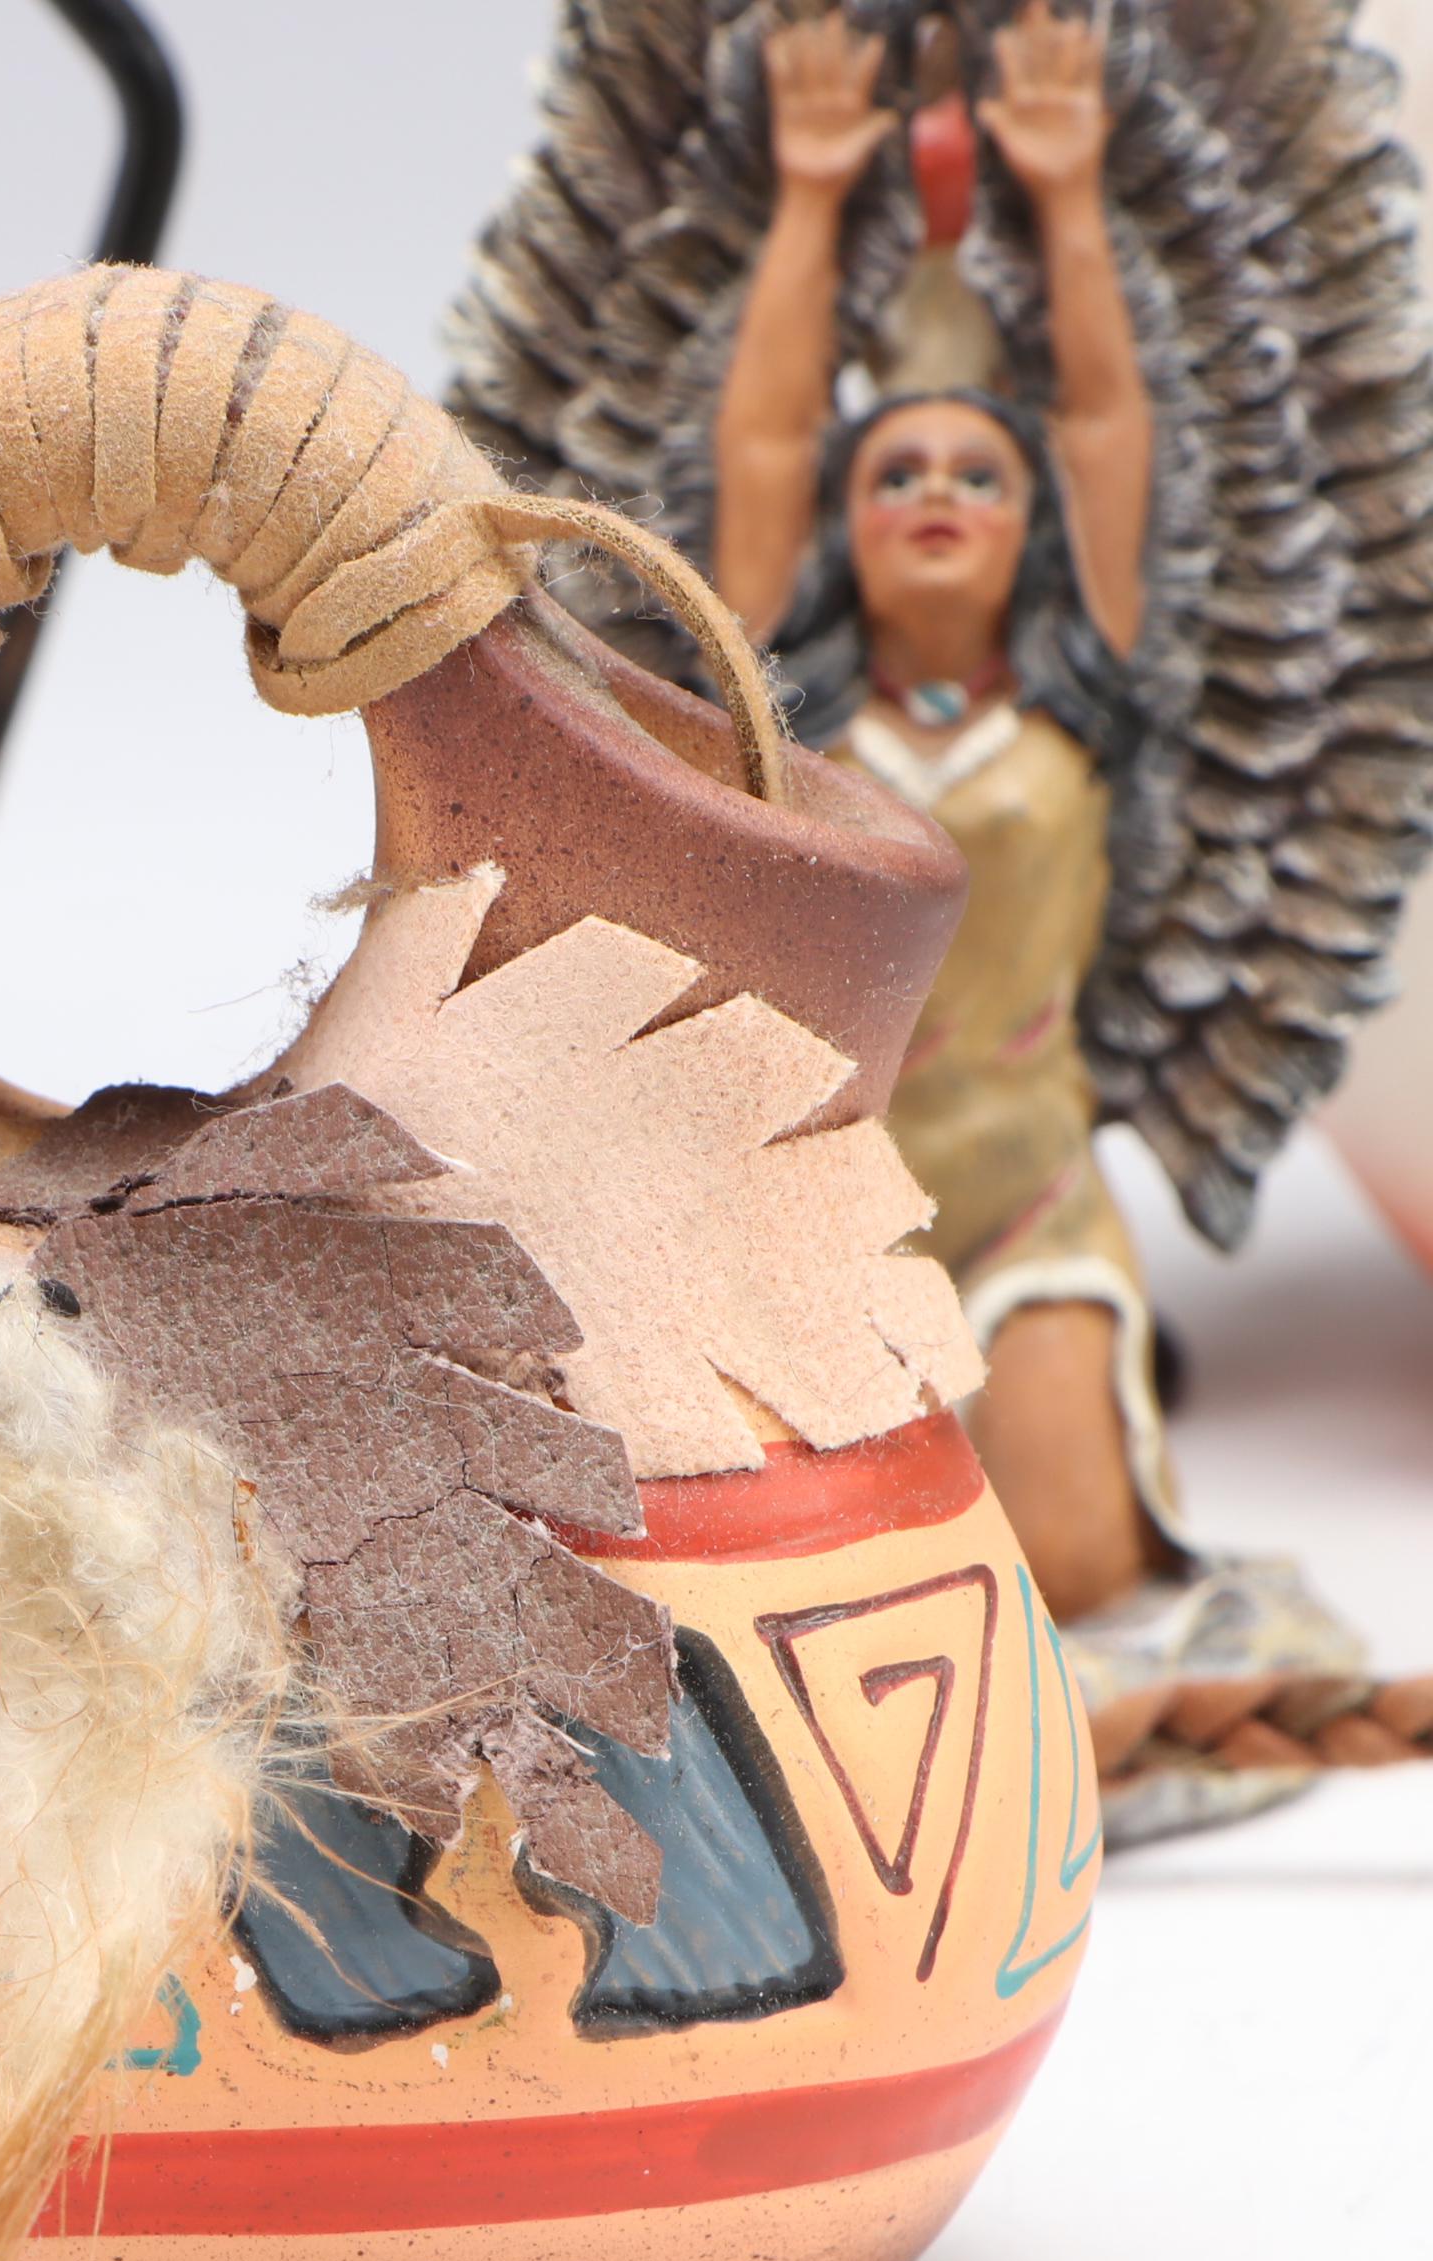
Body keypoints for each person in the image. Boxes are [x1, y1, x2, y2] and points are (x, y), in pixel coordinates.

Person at [713, 0, 1164, 1623]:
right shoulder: (794, 720)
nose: (935, 500)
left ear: (1034, 532)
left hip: (1030, 1183)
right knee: (835, 1575)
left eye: (980, 477)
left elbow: (1110, 431)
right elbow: (762, 443)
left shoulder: (1075, 702)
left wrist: (1066, 195)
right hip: (836, 1202)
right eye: (893, 475)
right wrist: (813, 196)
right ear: (844, 530)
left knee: (1081, 1566)